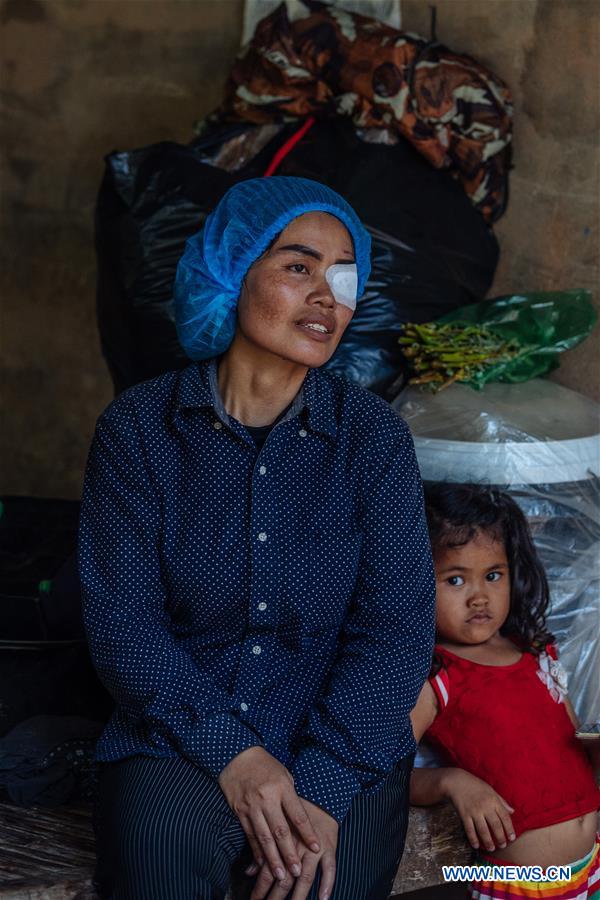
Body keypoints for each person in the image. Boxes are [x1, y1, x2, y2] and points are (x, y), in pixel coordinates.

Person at [79, 175, 436, 900]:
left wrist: (325, 787)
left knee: (318, 879)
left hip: (340, 731)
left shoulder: (373, 441)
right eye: (298, 266)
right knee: (161, 852)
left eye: (342, 274)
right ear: (232, 272)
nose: (326, 295)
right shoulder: (139, 432)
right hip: (181, 727)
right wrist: (233, 755)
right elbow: (124, 626)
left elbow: (395, 634)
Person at [410, 483, 600, 900]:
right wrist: (452, 782)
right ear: (416, 582)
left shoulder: (534, 652)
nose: (479, 596)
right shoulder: (436, 677)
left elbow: (569, 741)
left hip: (592, 868)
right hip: (516, 886)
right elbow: (385, 773)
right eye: (455, 579)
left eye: (493, 575)